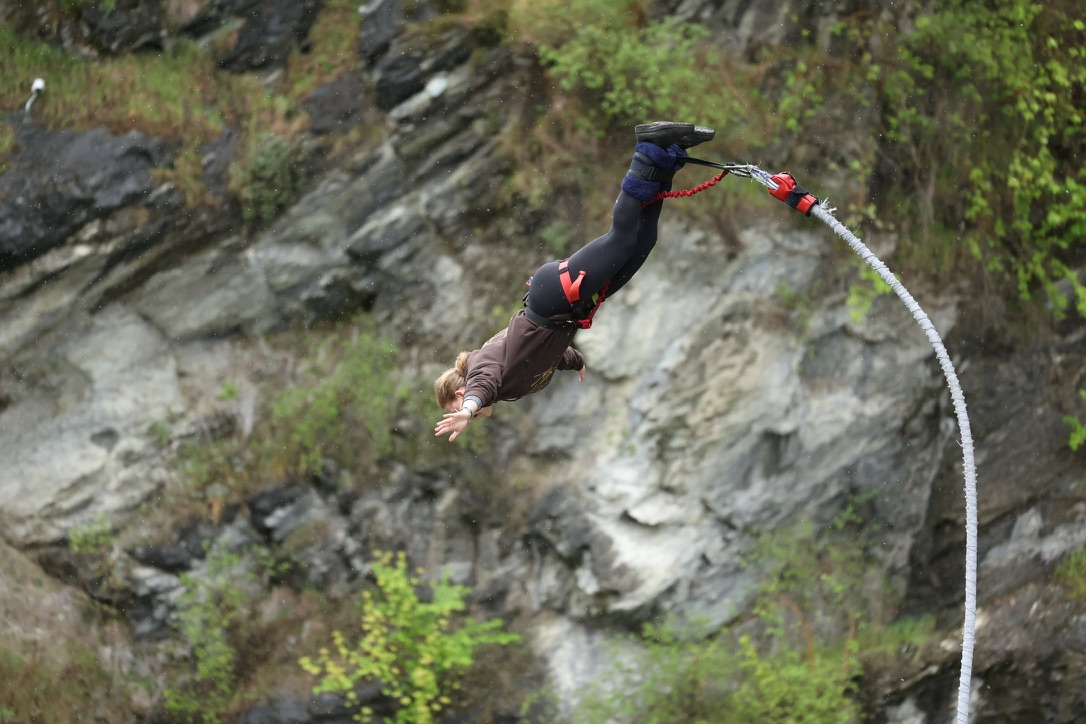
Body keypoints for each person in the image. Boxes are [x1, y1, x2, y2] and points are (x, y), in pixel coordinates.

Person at [434, 121, 715, 441]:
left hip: (554, 295)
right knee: (641, 244)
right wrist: (576, 361)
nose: (472, 415)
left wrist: (468, 411)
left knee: (621, 241)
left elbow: (482, 385)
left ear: (459, 395)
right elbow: (544, 354)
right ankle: (666, 158)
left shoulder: (481, 371)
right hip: (568, 306)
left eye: (455, 409)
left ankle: (647, 150)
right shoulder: (503, 381)